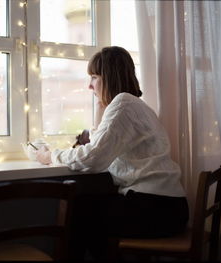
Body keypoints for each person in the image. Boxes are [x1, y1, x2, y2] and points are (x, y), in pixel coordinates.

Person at [36, 46, 189, 260]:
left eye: (94, 77)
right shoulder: (137, 106)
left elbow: (93, 158)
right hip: (168, 208)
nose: (89, 85)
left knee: (78, 211)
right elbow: (103, 148)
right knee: (89, 208)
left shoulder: (123, 104)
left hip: (155, 208)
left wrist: (50, 155)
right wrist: (101, 109)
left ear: (109, 77)